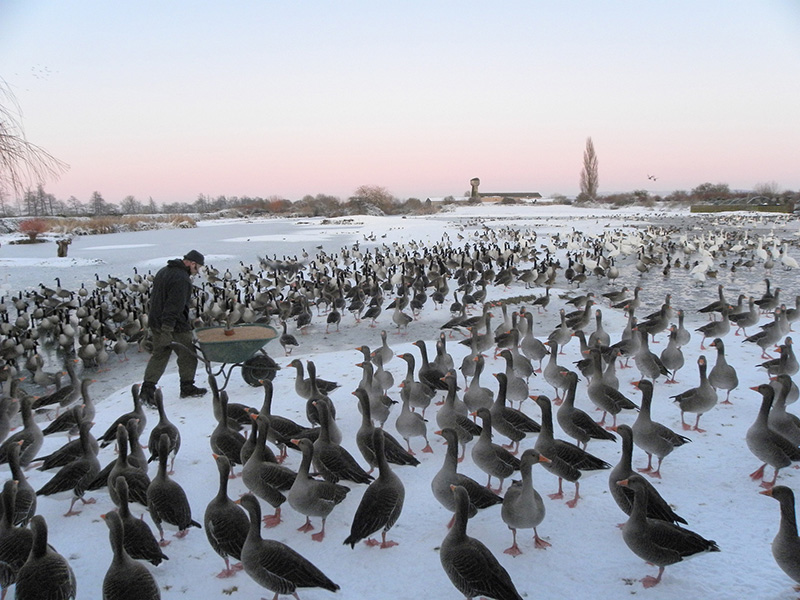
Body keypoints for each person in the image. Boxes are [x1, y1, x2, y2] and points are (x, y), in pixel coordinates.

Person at [140, 249, 207, 406]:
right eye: (197, 268)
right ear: (192, 263)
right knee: (188, 355)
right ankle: (187, 387)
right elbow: (174, 306)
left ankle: (146, 391)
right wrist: (167, 329)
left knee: (160, 354)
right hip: (173, 325)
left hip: (156, 320)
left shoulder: (164, 271)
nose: (197, 272)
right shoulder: (181, 279)